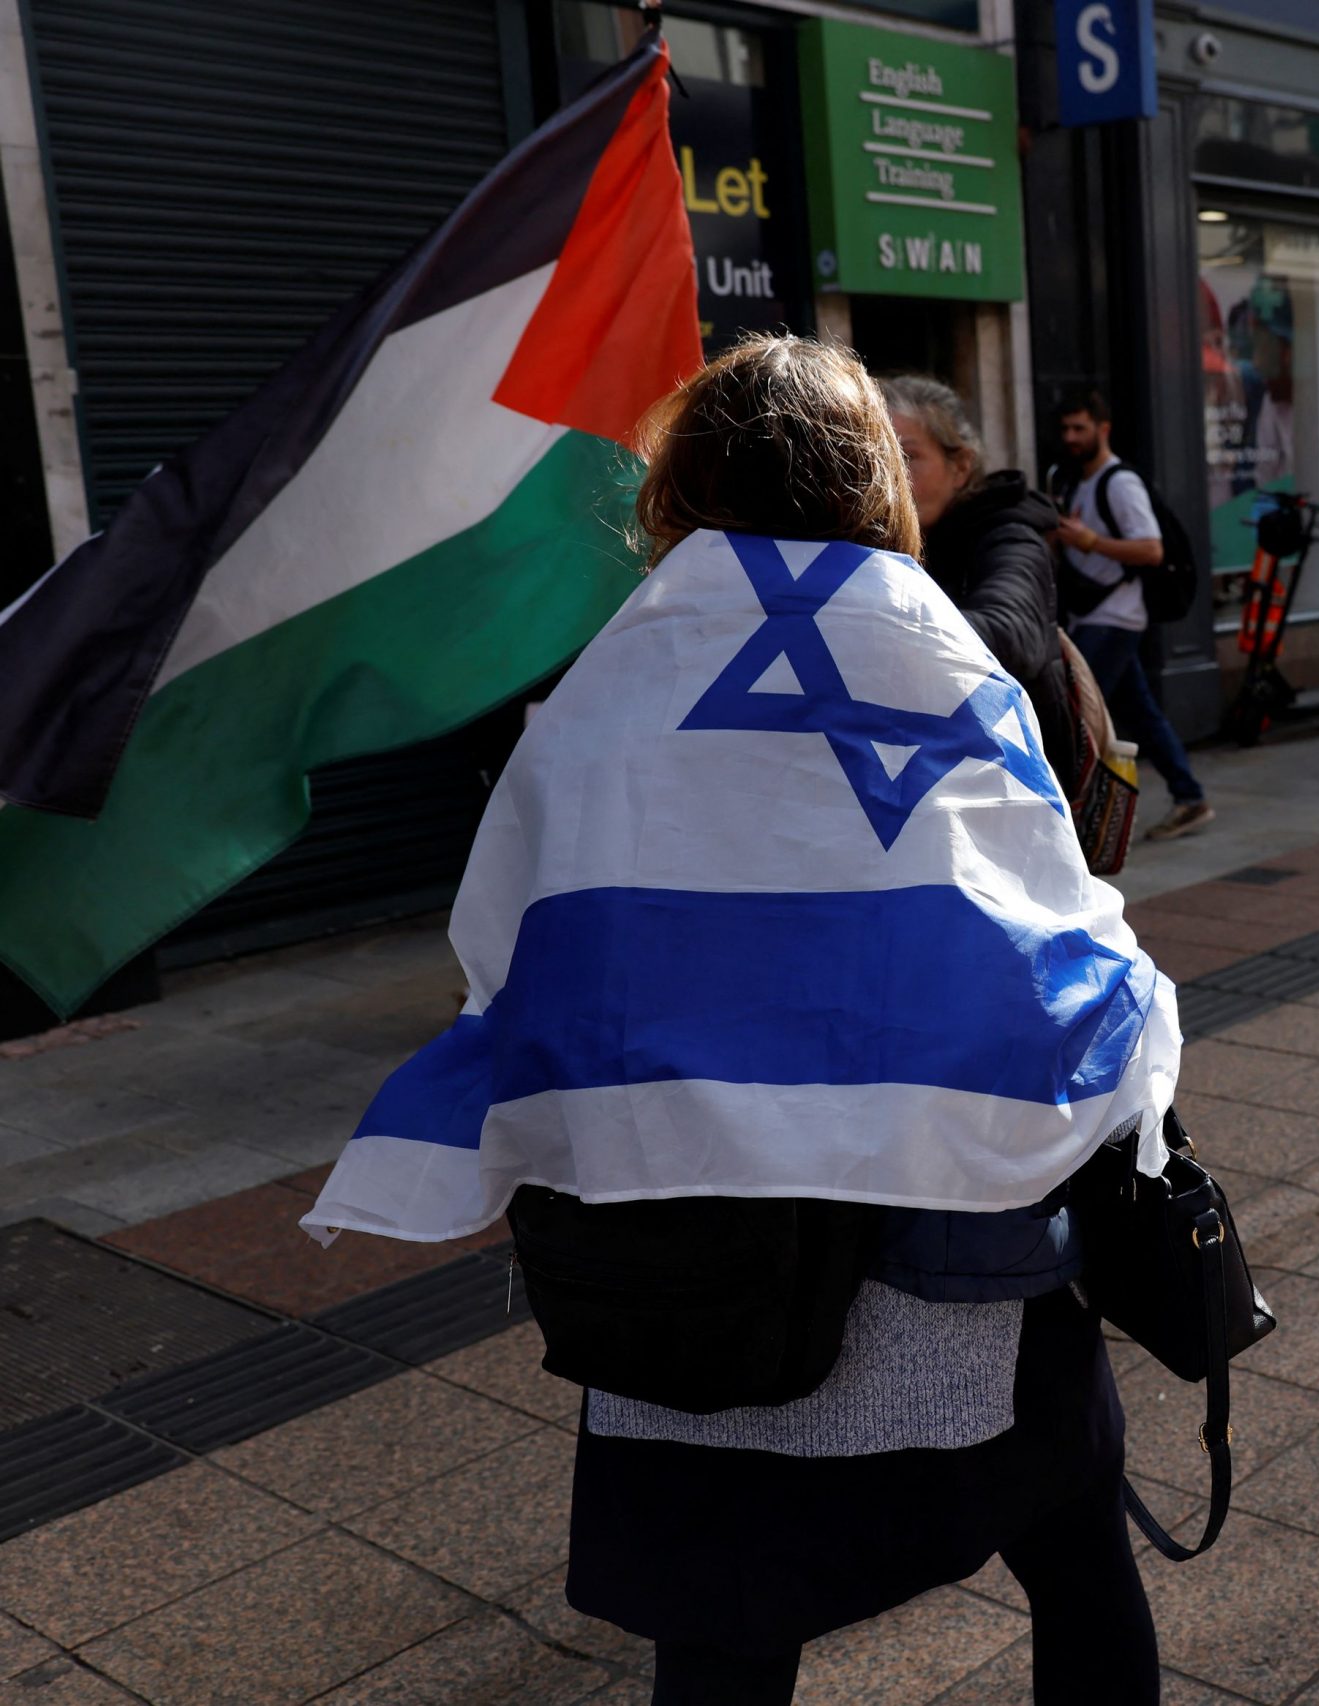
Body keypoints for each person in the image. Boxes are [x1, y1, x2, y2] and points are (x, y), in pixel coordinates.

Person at [301, 336, 1180, 1706]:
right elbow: (1056, 933)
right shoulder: (939, 650)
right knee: (1076, 1561)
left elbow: (505, 951)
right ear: (876, 482)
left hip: (684, 1250)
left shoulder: (609, 682)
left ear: (675, 492)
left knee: (718, 1634)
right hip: (953, 1247)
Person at [884, 376, 1078, 791]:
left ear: (961, 466)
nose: (889, 476)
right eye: (877, 456)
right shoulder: (889, 544)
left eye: (907, 456)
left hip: (1016, 794)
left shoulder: (1010, 533)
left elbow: (1013, 631)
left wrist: (875, 631)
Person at [1053, 390, 1213, 840]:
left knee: (1076, 718)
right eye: (1065, 429)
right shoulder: (1074, 480)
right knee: (1139, 713)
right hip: (1093, 613)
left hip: (1116, 615)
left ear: (1103, 429)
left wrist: (1089, 543)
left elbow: (1151, 549)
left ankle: (1084, 822)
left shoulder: (1119, 482)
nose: (1070, 438)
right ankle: (1190, 796)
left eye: (1080, 428)